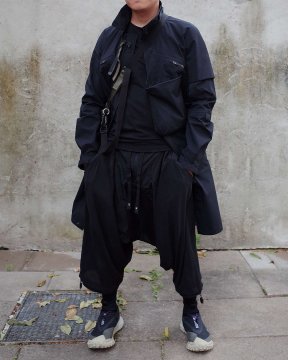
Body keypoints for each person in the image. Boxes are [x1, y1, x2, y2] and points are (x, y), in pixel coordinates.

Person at [72, 0, 222, 353]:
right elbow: (92, 100)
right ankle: (109, 311)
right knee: (106, 234)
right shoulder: (109, 39)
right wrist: (90, 157)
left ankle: (191, 313)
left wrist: (187, 161)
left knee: (180, 237)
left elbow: (202, 100)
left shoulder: (185, 36)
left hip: (166, 158)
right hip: (114, 157)